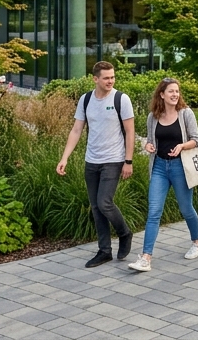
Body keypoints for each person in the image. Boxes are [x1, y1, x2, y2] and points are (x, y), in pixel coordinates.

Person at [58, 61, 135, 268]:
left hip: (113, 159)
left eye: (112, 77)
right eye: (106, 78)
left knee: (104, 203)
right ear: (95, 79)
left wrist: (128, 161)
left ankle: (124, 233)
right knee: (96, 207)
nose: (110, 81)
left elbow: (130, 132)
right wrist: (64, 157)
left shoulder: (121, 99)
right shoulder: (85, 100)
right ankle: (104, 251)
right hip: (91, 160)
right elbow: (76, 130)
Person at [128, 77, 198, 271]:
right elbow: (150, 141)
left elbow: (196, 140)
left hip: (180, 167)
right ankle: (146, 257)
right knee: (153, 212)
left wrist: (182, 146)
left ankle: (197, 242)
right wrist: (148, 145)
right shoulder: (153, 116)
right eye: (170, 91)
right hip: (160, 167)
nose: (175, 95)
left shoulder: (186, 113)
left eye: (177, 91)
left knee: (186, 209)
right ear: (161, 94)